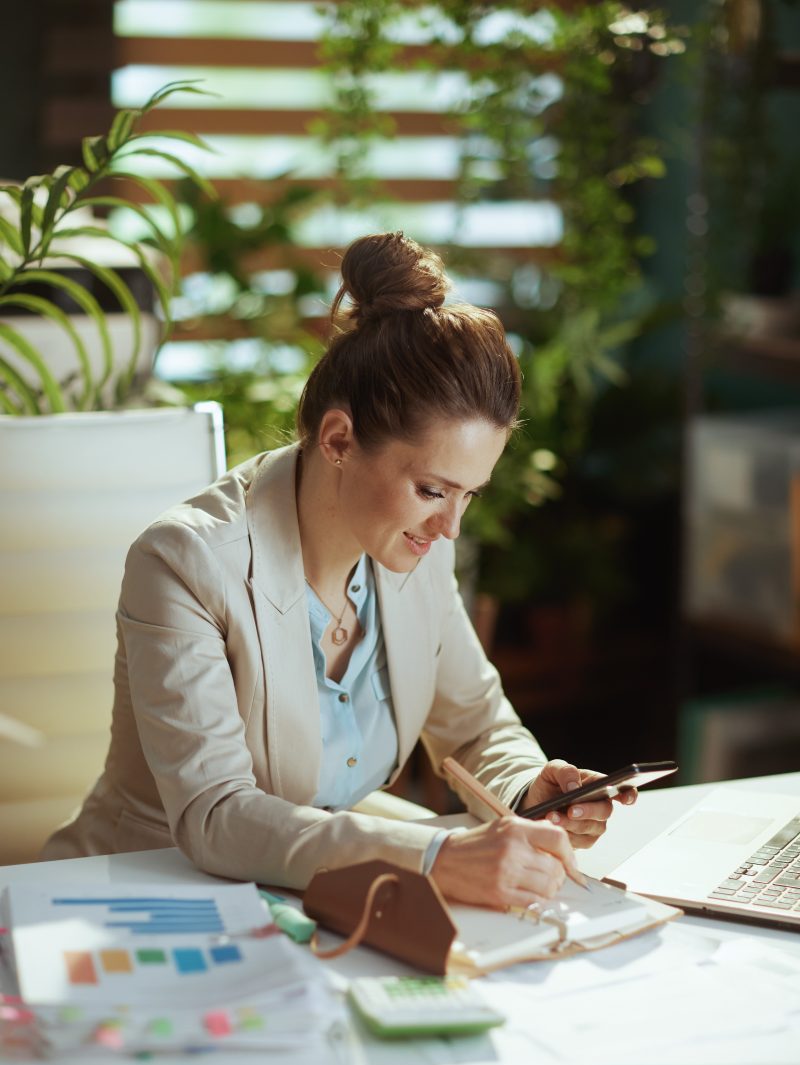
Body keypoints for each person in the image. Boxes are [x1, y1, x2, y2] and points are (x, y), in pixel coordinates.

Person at [41, 232, 635, 909]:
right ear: (339, 440)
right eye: (432, 490)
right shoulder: (185, 563)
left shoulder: (415, 549)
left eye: (469, 494)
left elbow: (474, 726)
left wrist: (530, 789)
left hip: (309, 905)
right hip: (148, 895)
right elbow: (216, 814)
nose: (450, 526)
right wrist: (435, 860)